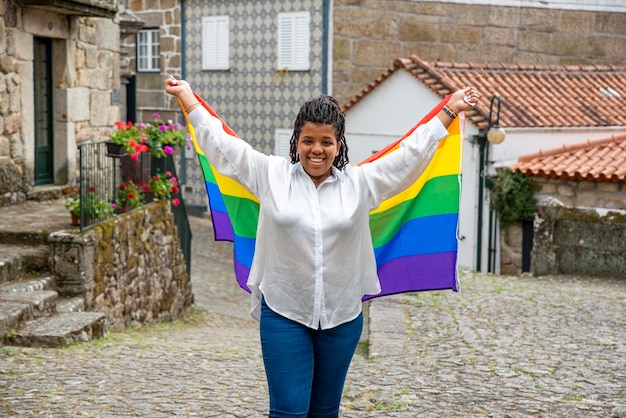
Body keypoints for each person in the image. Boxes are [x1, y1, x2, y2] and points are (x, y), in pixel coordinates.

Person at [164, 77, 479, 417]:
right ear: (296, 141)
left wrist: (449, 110)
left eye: (326, 141)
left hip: (342, 318)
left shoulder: (360, 184)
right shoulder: (271, 175)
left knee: (325, 412)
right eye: (309, 140)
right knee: (288, 411)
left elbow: (409, 156)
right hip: (285, 312)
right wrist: (186, 97)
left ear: (339, 144)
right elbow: (222, 146)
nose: (317, 149)